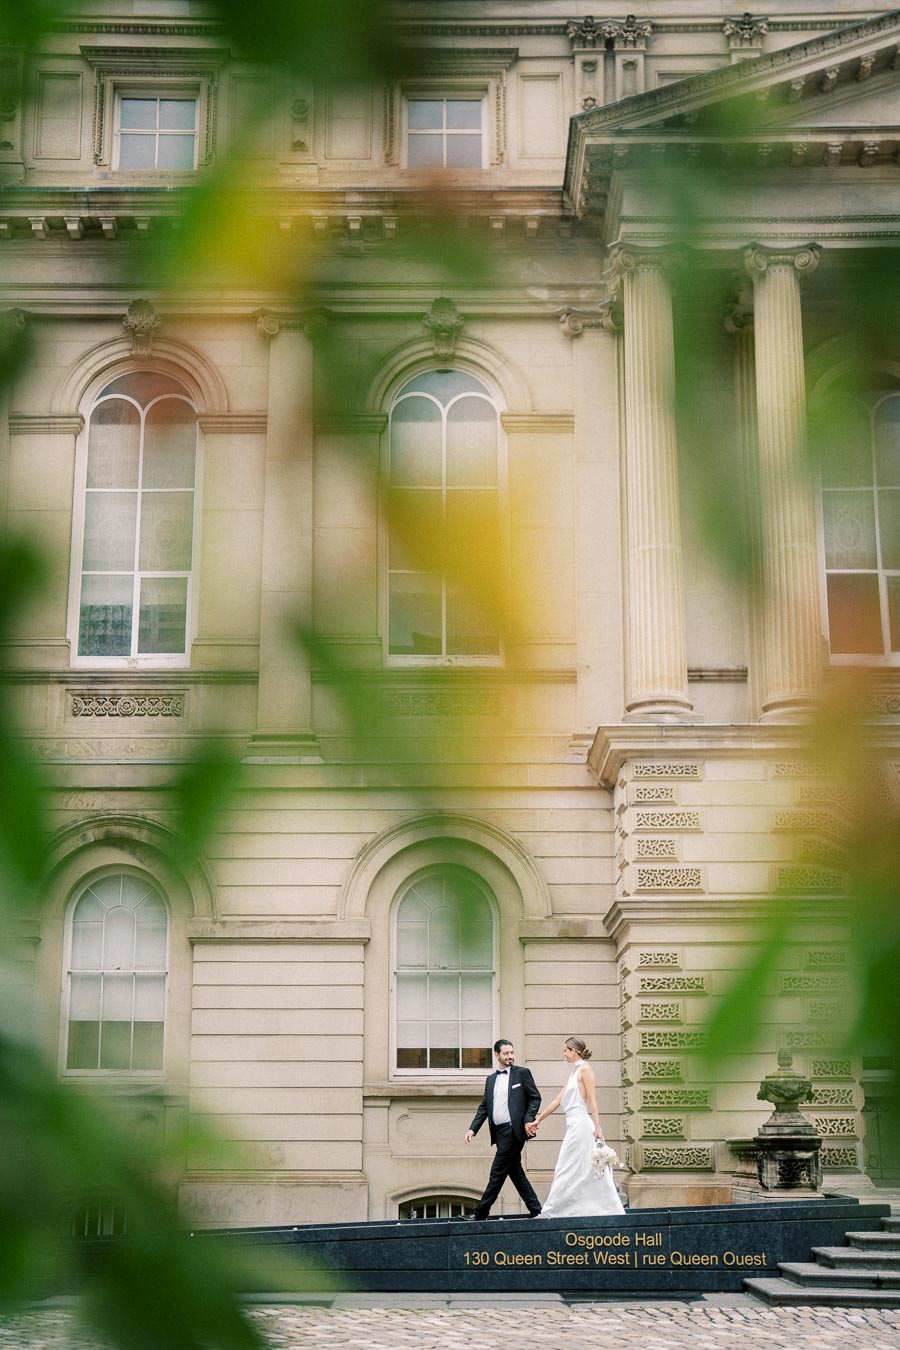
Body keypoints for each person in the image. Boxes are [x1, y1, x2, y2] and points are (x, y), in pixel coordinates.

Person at [529, 1036, 624, 1218]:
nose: (564, 1053)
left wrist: (598, 1127)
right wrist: (538, 1120)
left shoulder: (586, 1069)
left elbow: (593, 1101)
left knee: (567, 1167)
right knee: (575, 1169)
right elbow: (558, 1100)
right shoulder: (574, 1072)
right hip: (573, 1126)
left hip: (581, 1126)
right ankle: (570, 1209)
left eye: (565, 1050)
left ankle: (551, 1211)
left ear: (574, 1051)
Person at [464, 1038, 542, 1219]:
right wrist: (472, 1129)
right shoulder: (490, 1080)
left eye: (512, 1053)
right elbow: (484, 1106)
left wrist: (527, 1120)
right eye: (506, 1053)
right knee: (515, 1172)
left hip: (513, 1131)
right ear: (497, 1055)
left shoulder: (522, 1073)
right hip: (498, 1133)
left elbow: (535, 1098)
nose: (510, 1056)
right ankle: (537, 1209)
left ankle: (481, 1212)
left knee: (497, 1172)